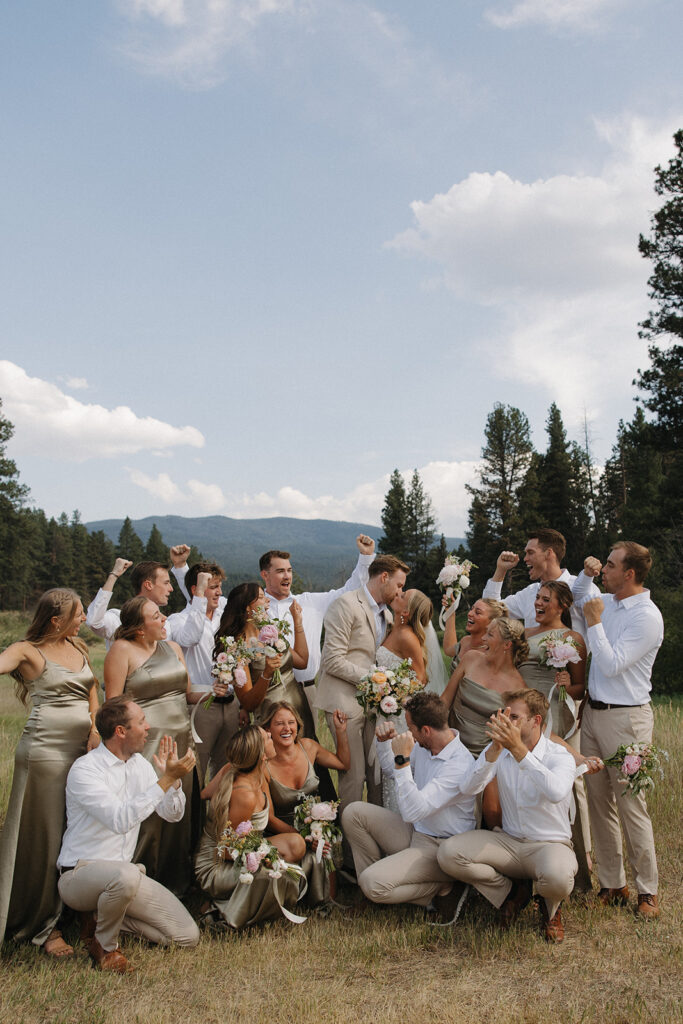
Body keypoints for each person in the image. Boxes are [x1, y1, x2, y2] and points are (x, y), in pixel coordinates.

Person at [57, 697, 199, 973]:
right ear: (120, 731)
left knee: (186, 936)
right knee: (126, 875)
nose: (148, 727)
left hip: (124, 879)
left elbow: (172, 814)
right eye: (141, 722)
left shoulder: (139, 765)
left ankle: (99, 918)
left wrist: (173, 782)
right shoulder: (86, 770)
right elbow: (120, 819)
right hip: (79, 875)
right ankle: (105, 946)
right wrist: (164, 781)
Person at [437, 690, 583, 943]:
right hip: (510, 843)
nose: (506, 721)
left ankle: (551, 909)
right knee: (448, 854)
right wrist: (493, 752)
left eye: (514, 716)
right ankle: (511, 893)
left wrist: (520, 752)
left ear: (535, 721)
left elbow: (557, 792)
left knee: (558, 879)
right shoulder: (500, 750)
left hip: (549, 844)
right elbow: (468, 789)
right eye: (504, 715)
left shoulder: (558, 755)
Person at [0, 589, 99, 957]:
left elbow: (93, 691)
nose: (84, 619)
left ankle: (73, 911)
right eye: (78, 614)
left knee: (75, 831)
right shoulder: (26, 650)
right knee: (45, 836)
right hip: (43, 754)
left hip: (81, 753)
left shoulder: (80, 647)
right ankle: (42, 925)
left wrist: (95, 729)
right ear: (56, 619)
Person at [572, 543, 664, 918]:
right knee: (599, 802)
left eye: (609, 565)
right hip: (593, 714)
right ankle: (612, 883)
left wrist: (594, 622)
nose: (604, 570)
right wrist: (588, 574)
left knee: (631, 805)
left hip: (628, 720)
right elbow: (580, 594)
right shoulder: (607, 600)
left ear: (629, 574)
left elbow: (611, 666)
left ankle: (648, 891)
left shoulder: (647, 617)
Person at [342, 692, 476, 914]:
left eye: (411, 728)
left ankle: (442, 887)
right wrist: (385, 744)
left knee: (372, 883)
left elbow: (413, 811)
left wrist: (402, 760)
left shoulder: (459, 765)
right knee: (353, 813)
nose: (408, 733)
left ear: (426, 730)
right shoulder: (427, 746)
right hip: (417, 832)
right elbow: (391, 770)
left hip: (441, 849)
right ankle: (373, 895)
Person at [316, 554, 409, 855]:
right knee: (354, 777)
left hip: (376, 705)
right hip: (344, 701)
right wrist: (376, 679)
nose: (400, 592)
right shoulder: (345, 605)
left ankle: (378, 844)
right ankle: (349, 857)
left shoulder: (388, 614)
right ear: (383, 577)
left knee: (379, 774)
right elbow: (332, 661)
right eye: (398, 584)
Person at [103, 597, 197, 894]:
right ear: (140, 629)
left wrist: (219, 690)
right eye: (156, 616)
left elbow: (187, 694)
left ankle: (177, 882)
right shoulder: (121, 650)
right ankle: (138, 883)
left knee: (180, 810)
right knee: (148, 812)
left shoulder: (174, 648)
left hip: (182, 738)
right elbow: (112, 707)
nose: (164, 618)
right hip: (145, 743)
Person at [194, 726, 306, 929]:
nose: (273, 738)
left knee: (295, 845)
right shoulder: (243, 794)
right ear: (261, 754)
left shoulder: (257, 774)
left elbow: (266, 822)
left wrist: (300, 835)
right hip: (218, 864)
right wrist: (266, 857)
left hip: (246, 849)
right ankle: (220, 908)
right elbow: (228, 851)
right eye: (268, 738)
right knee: (275, 873)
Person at [520, 580, 592, 891]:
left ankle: (581, 858)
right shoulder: (524, 635)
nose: (538, 603)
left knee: (570, 783)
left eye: (545, 599)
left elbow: (581, 688)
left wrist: (566, 683)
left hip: (556, 714)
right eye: (537, 598)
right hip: (524, 715)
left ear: (562, 605)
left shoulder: (572, 639)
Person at [261, 701, 350, 905]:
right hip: (282, 832)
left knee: (327, 838)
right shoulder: (263, 764)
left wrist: (341, 731)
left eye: (291, 722)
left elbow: (343, 763)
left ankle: (329, 898)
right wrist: (303, 836)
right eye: (279, 723)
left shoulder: (308, 747)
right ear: (267, 729)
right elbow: (269, 817)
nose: (287, 728)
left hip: (312, 824)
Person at [376, 588, 446, 810]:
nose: (396, 594)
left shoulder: (407, 636)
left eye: (402, 596)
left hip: (396, 713)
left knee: (396, 767)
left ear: (406, 611)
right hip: (386, 708)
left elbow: (421, 679)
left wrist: (393, 694)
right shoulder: (395, 627)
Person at [164, 561, 230, 780]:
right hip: (200, 705)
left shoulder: (224, 617)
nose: (219, 592)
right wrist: (200, 598)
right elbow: (190, 638)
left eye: (219, 586)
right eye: (213, 587)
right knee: (196, 771)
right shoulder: (177, 620)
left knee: (228, 770)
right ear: (196, 590)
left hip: (230, 704)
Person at [440, 617, 529, 758]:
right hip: (448, 744)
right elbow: (444, 700)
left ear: (507, 645)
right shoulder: (471, 659)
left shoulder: (519, 688)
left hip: (481, 757)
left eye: (490, 634)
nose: (483, 638)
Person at [482, 528, 598, 636]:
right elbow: (490, 611)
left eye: (530, 552)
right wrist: (500, 570)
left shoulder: (586, 587)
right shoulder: (529, 593)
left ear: (548, 553)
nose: (525, 559)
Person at [85, 549, 208, 650]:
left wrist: (200, 593)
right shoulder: (119, 618)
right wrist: (114, 575)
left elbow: (191, 638)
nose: (171, 589)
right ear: (148, 585)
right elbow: (94, 622)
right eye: (166, 583)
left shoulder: (168, 623)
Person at [442, 597, 508, 674]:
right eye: (471, 609)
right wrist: (451, 612)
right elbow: (448, 650)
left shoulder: (490, 655)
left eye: (477, 612)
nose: (469, 613)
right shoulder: (465, 641)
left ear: (491, 623)